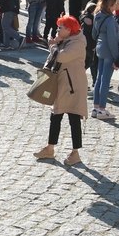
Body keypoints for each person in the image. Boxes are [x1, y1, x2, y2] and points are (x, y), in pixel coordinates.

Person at [33, 15, 86, 165]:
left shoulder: (78, 43)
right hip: (62, 85)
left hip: (73, 87)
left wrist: (53, 46)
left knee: (74, 118)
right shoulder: (65, 40)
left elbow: (61, 57)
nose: (57, 30)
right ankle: (50, 149)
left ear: (69, 30)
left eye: (60, 28)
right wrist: (55, 44)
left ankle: (75, 153)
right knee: (55, 116)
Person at [91, 0, 119, 120]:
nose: (116, 6)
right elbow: (113, 40)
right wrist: (117, 57)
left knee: (99, 78)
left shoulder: (97, 16)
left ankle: (96, 107)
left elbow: (94, 34)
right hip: (108, 51)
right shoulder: (110, 20)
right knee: (105, 81)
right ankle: (102, 109)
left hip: (100, 48)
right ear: (109, 6)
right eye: (114, 4)